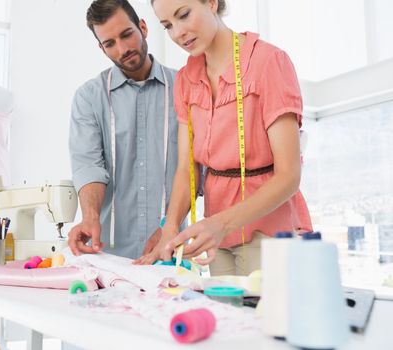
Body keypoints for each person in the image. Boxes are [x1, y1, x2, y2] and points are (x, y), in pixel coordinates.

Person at [136, 0, 312, 275]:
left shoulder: (267, 63)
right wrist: (169, 229)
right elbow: (187, 168)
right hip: (216, 238)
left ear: (211, 2)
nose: (178, 33)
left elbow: (289, 175)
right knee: (227, 316)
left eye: (184, 15)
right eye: (168, 25)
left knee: (267, 316)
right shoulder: (186, 80)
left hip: (270, 231)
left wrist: (220, 224)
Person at [68, 0, 180, 259]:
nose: (122, 49)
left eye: (127, 35)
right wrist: (90, 217)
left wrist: (168, 227)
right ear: (101, 47)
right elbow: (88, 165)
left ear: (142, 27)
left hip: (170, 251)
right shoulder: (89, 97)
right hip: (108, 255)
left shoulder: (184, 87)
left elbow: (193, 170)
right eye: (110, 44)